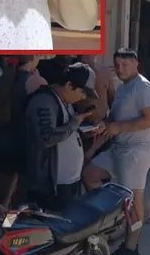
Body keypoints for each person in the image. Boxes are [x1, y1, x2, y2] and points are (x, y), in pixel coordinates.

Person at [84, 48, 150, 255]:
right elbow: (112, 124)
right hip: (118, 149)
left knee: (134, 200)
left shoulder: (143, 86)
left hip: (136, 151)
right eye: (117, 65)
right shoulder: (122, 87)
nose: (120, 68)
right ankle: (109, 222)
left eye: (125, 65)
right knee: (89, 174)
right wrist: (91, 148)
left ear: (136, 64)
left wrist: (120, 126)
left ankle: (131, 246)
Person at [23, 61, 96, 211]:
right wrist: (74, 123)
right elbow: (46, 138)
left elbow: (64, 133)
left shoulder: (63, 101)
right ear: (69, 85)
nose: (83, 97)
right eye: (82, 92)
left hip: (68, 184)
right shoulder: (44, 101)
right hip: (51, 189)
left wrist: (83, 131)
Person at [0, 56, 44, 205]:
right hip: (23, 143)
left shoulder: (2, 80)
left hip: (1, 139)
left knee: (1, 197)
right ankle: (11, 225)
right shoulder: (34, 81)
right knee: (20, 197)